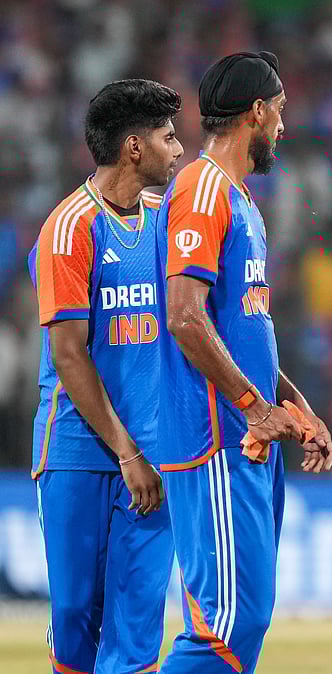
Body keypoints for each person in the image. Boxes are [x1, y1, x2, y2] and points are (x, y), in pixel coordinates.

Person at [153, 51, 332, 673]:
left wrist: (291, 401)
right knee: (227, 626)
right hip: (215, 437)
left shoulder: (238, 199)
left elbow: (243, 326)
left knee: (243, 616)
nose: (283, 127)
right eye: (280, 112)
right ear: (256, 112)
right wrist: (256, 408)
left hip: (245, 434)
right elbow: (184, 316)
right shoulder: (203, 190)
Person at [28, 78, 183, 674]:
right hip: (79, 450)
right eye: (169, 138)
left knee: (138, 618)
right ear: (134, 148)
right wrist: (125, 451)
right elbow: (69, 354)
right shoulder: (69, 229)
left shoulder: (168, 223)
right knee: (75, 615)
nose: (178, 150)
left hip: (156, 451)